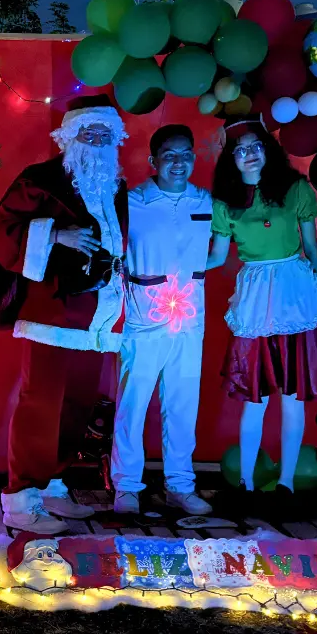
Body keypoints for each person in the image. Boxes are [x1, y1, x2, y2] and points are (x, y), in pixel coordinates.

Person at [0, 95, 128, 533]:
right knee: (42, 405)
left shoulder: (117, 185)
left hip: (98, 319)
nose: (97, 140)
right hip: (51, 312)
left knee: (78, 405)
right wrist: (57, 234)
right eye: (88, 132)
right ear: (70, 136)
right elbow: (3, 234)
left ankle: (51, 484)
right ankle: (20, 498)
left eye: (105, 134)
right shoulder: (42, 179)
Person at [206, 117, 317, 510]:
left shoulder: (295, 189)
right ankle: (245, 484)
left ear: (267, 149)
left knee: (292, 396)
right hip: (254, 296)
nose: (247, 156)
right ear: (230, 159)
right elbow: (217, 255)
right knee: (255, 397)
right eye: (239, 151)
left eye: (254, 147)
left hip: (294, 293)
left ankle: (285, 484)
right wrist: (180, 266)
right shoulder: (225, 201)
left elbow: (312, 248)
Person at [111, 125, 216, 515]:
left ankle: (180, 485)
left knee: (182, 402)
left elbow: (216, 251)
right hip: (143, 318)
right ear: (153, 161)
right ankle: (126, 487)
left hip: (190, 318)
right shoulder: (132, 201)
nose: (178, 162)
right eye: (169, 155)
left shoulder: (204, 201)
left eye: (186, 154)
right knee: (133, 403)